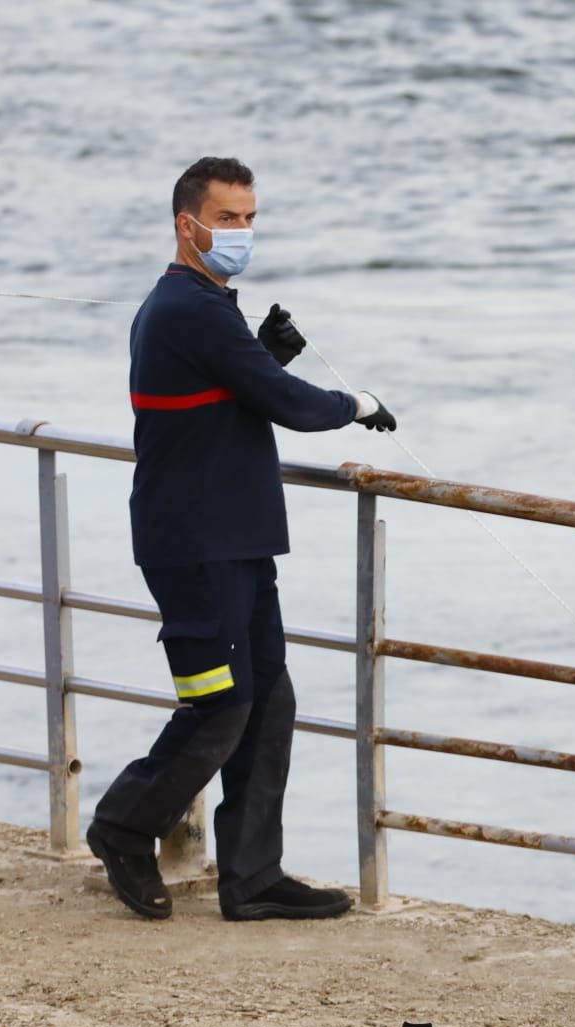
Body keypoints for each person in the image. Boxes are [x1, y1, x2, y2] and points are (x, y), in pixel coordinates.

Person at [85, 156, 398, 923]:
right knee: (219, 704)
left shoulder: (205, 306)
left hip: (239, 537)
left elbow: (227, 394)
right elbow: (284, 404)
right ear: (186, 224)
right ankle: (123, 828)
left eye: (251, 217)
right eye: (227, 218)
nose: (242, 231)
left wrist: (267, 352)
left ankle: (252, 876)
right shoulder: (186, 306)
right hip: (193, 543)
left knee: (268, 703)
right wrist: (356, 403)